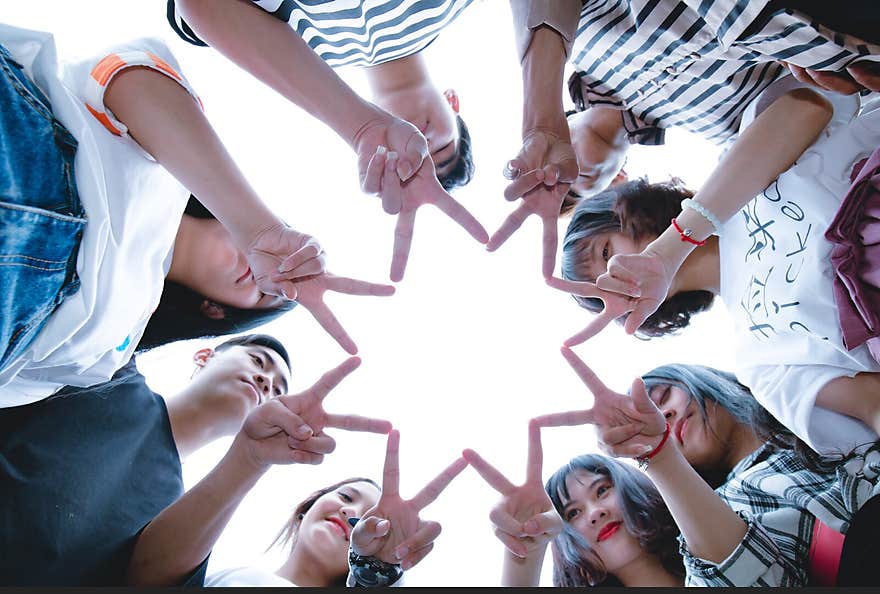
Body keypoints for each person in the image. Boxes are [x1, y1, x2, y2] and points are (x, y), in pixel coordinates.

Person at [0, 25, 393, 408]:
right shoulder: (168, 166)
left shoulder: (113, 348)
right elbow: (124, 75)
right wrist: (261, 230)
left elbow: (16, 378)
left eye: (263, 294)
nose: (267, 277)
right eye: (280, 269)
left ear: (215, 310)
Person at [547, 74, 880, 453]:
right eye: (602, 293)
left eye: (605, 253)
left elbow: (809, 108)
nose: (615, 277)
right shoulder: (758, 362)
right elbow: (872, 404)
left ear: (623, 210)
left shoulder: (733, 163)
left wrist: (667, 251)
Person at [491, 0, 880, 275]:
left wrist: (541, 119)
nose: (569, 179)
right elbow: (812, 101)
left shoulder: (581, 33)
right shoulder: (724, 131)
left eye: (554, 176)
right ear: (616, 184)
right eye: (575, 194)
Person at [168, 0, 488, 281]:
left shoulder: (292, 49)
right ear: (454, 102)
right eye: (440, 150)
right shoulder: (452, 7)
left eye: (409, 166)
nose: (419, 149)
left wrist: (360, 126)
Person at [534, 348, 880, 586]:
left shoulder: (793, 386)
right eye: (573, 513)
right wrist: (657, 453)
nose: (665, 416)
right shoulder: (730, 509)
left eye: (665, 398)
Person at [0, 333, 292, 585]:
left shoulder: (177, 526)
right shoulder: (110, 371)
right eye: (258, 361)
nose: (266, 381)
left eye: (278, 391)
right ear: (204, 356)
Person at [129, 429, 466, 587]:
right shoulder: (224, 578)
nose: (352, 516)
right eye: (347, 498)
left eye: (369, 521)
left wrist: (376, 568)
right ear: (306, 509)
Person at [463, 425, 683, 587]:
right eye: (574, 513)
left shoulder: (710, 541)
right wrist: (525, 549)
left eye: (602, 491)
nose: (595, 513)